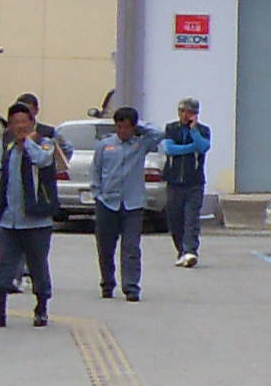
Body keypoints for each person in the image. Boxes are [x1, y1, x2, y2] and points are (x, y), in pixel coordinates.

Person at [0, 101, 61, 329]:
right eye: (15, 122)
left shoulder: (44, 145)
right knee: (2, 264)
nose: (20, 126)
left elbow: (43, 160)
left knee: (38, 266)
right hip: (10, 221)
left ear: (33, 123)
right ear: (10, 126)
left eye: (25, 121)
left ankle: (41, 308)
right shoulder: (10, 149)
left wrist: (29, 142)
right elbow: (6, 184)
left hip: (37, 221)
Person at [90, 106, 151, 301]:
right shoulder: (105, 145)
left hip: (132, 204)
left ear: (133, 127)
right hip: (108, 202)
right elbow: (95, 170)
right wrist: (97, 194)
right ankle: (107, 283)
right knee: (105, 247)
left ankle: (131, 287)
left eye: (127, 127)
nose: (122, 131)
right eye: (119, 127)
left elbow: (159, 134)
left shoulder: (140, 144)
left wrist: (140, 128)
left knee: (131, 247)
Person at [159, 98, 212, 265]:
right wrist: (190, 148)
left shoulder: (202, 130)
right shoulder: (171, 128)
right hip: (174, 182)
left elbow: (203, 147)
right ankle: (181, 250)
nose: (183, 115)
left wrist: (194, 131)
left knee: (191, 219)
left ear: (195, 114)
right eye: (181, 111)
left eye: (188, 112)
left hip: (194, 183)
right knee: (175, 219)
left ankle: (190, 251)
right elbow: (169, 149)